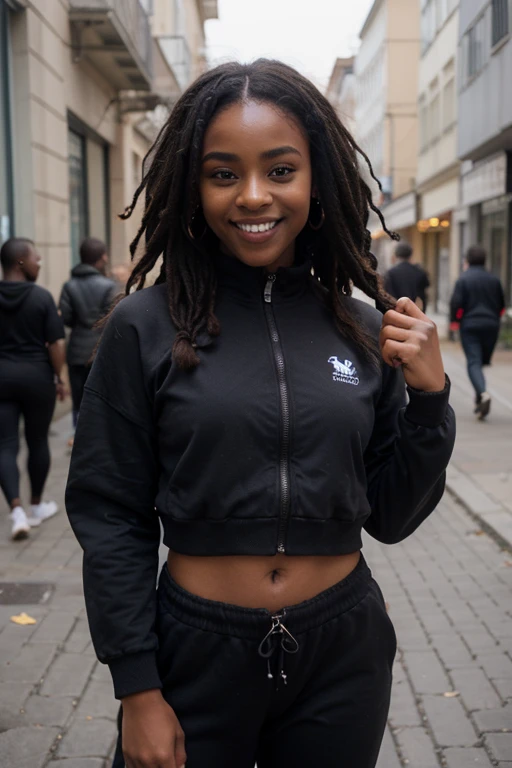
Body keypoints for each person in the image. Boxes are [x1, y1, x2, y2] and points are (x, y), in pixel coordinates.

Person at [66, 60, 455, 768]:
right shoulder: (147, 327)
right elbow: (110, 512)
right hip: (195, 651)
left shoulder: (363, 332)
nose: (252, 196)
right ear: (194, 185)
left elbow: (392, 516)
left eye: (280, 171)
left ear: (317, 181)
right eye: (223, 174)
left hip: (340, 651)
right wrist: (137, 689)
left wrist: (430, 400)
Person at [0, 238, 66, 540]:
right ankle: (37, 506)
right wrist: (59, 377)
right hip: (37, 377)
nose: (40, 263)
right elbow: (56, 344)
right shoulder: (41, 298)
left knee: (5, 445)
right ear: (21, 263)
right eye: (37, 259)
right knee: (37, 441)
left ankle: (16, 511)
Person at [59, 237, 118, 439]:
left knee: (79, 399)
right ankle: (99, 438)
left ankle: (79, 437)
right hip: (100, 350)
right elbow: (112, 318)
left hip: (76, 351)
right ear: (102, 258)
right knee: (101, 397)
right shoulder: (109, 286)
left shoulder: (69, 286)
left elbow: (66, 318)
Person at [450, 245, 505, 420]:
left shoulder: (463, 279)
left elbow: (456, 304)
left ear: (467, 260)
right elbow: (501, 305)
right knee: (479, 362)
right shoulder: (494, 280)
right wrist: (495, 317)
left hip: (470, 325)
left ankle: (482, 393)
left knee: (473, 361)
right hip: (491, 325)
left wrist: (455, 322)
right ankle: (479, 398)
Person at [384, 242, 430, 312]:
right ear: (410, 255)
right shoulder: (419, 271)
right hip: (415, 311)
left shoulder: (391, 273)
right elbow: (423, 294)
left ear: (396, 255)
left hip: (397, 312)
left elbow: (388, 294)